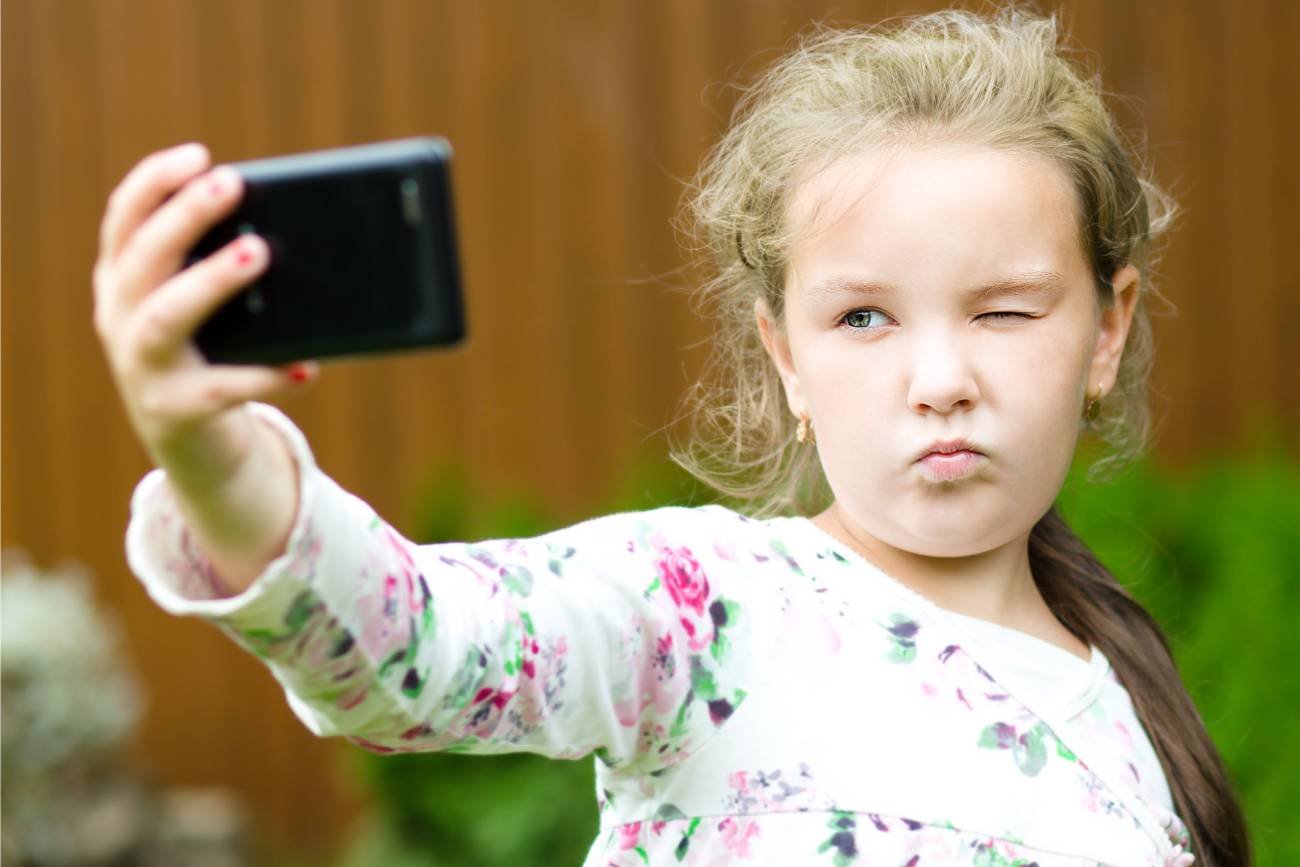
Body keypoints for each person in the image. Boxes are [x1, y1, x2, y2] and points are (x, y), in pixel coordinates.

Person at [96, 6, 1251, 866]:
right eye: (862, 318)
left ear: (1106, 331)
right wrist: (208, 455)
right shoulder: (704, 611)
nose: (940, 381)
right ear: (785, 356)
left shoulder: (1131, 715)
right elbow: (411, 648)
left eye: (1003, 312)